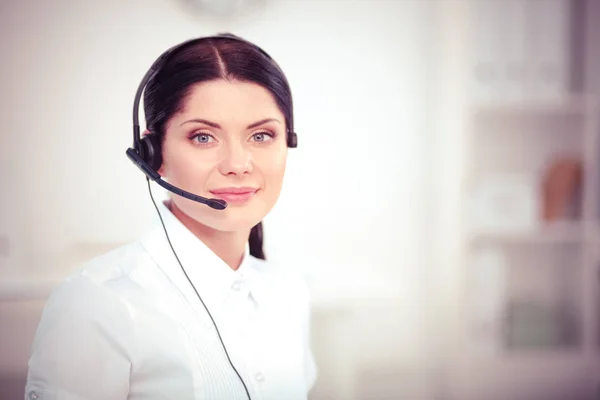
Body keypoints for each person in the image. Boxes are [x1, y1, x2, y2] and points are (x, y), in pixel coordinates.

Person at [24, 33, 317, 400]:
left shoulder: (288, 292)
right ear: (152, 152)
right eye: (203, 137)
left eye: (261, 135)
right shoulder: (97, 302)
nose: (239, 165)